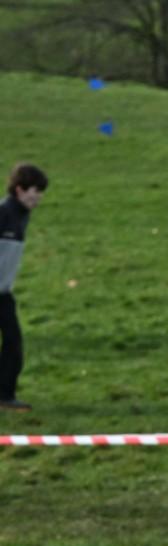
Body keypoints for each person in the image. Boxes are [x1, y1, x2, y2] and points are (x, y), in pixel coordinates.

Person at [0, 163, 48, 412]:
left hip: (3, 293)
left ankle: (4, 396)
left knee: (13, 342)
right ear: (19, 190)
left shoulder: (21, 215)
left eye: (41, 192)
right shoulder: (3, 213)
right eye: (34, 191)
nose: (38, 197)